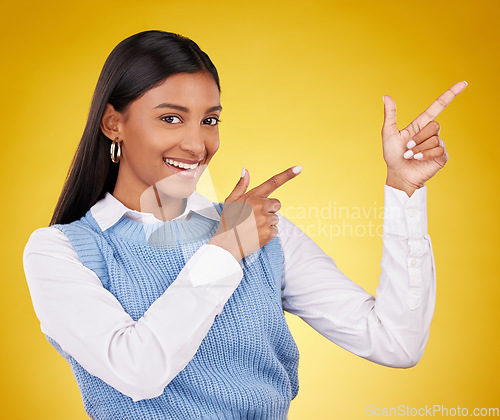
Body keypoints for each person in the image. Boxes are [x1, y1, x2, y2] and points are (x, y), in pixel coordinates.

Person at [23, 30, 467, 419]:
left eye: (210, 120)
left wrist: (403, 189)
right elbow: (138, 372)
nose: (197, 143)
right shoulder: (60, 251)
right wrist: (224, 250)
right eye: (170, 118)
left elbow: (395, 343)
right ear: (113, 122)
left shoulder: (262, 231)